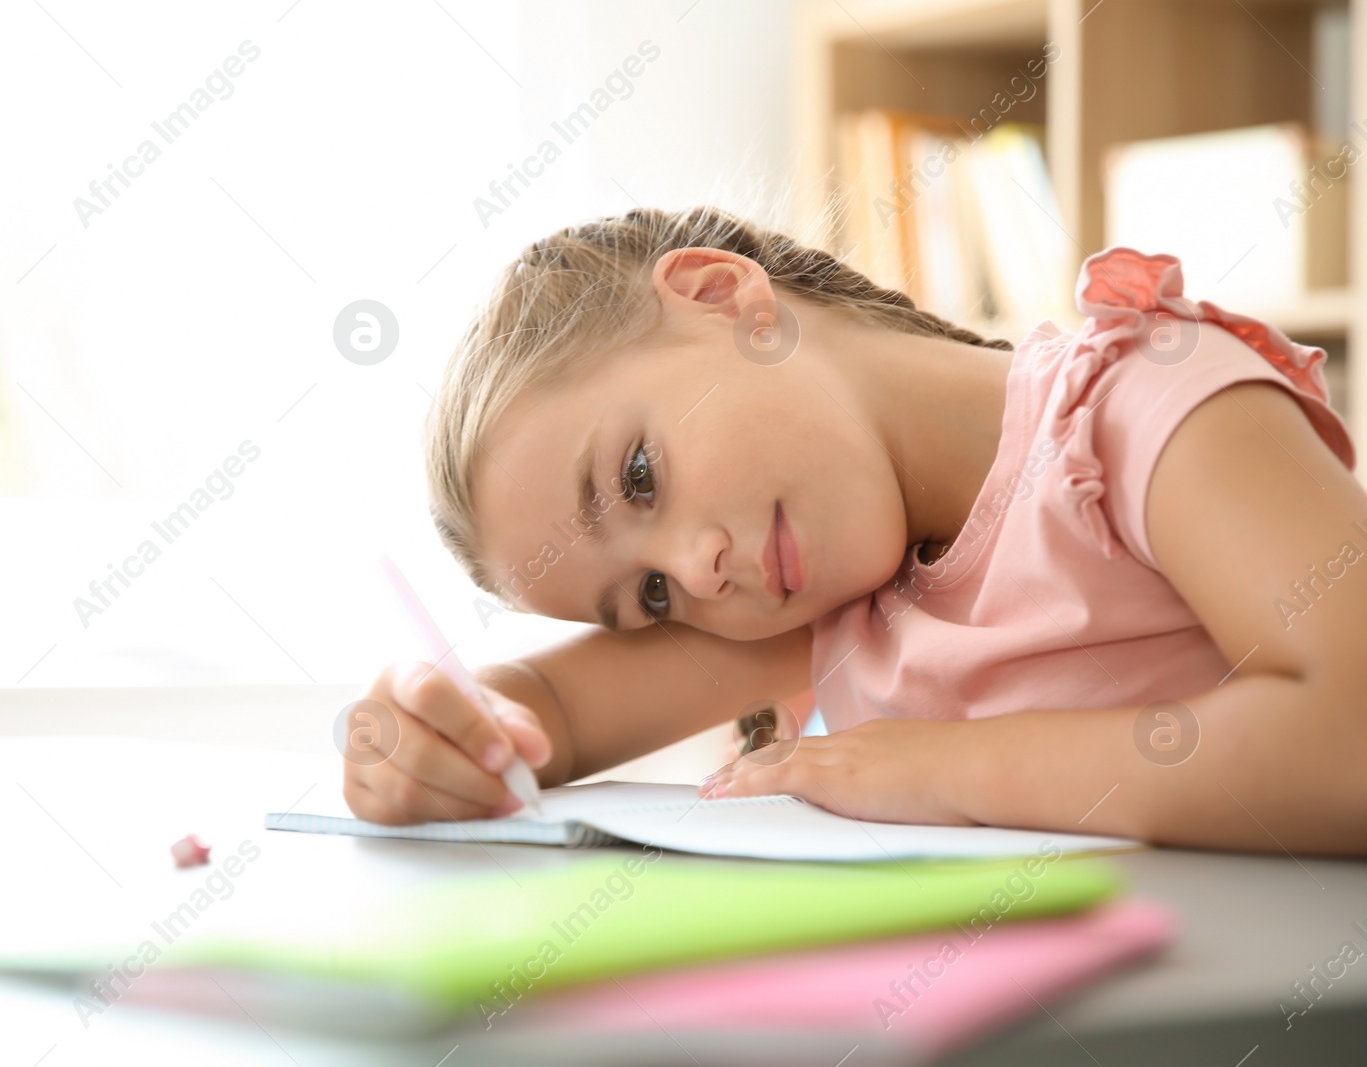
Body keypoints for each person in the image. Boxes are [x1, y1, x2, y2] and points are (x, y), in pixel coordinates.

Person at [344, 205, 1367, 855]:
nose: (694, 574)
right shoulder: (828, 595)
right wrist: (431, 730)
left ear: (718, 296)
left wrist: (941, 768)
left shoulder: (1146, 400)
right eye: (648, 598)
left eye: (640, 477)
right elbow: (547, 711)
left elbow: (1348, 741)